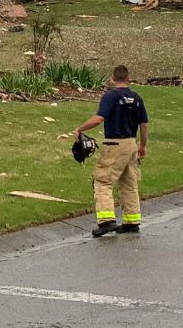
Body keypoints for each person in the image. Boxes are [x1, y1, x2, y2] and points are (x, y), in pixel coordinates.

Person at [72, 65, 149, 237]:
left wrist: (80, 128)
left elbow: (99, 118)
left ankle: (106, 220)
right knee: (129, 183)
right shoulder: (137, 98)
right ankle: (132, 221)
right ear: (128, 78)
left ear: (113, 79)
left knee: (102, 181)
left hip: (114, 144)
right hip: (131, 144)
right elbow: (143, 125)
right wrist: (142, 145)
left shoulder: (111, 96)